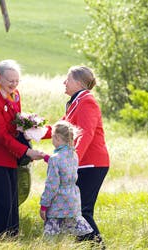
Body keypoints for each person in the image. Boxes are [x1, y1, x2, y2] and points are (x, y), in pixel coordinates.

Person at [0, 59, 45, 236]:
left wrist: (29, 126)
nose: (13, 84)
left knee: (12, 204)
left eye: (17, 81)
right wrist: (27, 152)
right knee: (2, 204)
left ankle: (12, 238)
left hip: (9, 157)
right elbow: (1, 136)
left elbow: (15, 122)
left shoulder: (16, 95)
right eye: (10, 81)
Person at [44, 66, 109, 243]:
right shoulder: (76, 102)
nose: (64, 82)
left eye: (68, 79)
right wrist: (34, 130)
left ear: (79, 83)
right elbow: (61, 130)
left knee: (82, 212)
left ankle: (97, 246)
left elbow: (86, 133)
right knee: (77, 212)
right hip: (84, 164)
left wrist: (72, 159)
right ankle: (86, 245)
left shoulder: (87, 101)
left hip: (91, 164)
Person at [40, 120, 93, 237]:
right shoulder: (74, 155)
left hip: (57, 203)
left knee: (52, 238)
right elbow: (65, 166)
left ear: (57, 138)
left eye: (52, 137)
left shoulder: (55, 159)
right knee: (67, 235)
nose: (51, 140)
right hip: (72, 201)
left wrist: (44, 205)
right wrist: (47, 158)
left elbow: (52, 185)